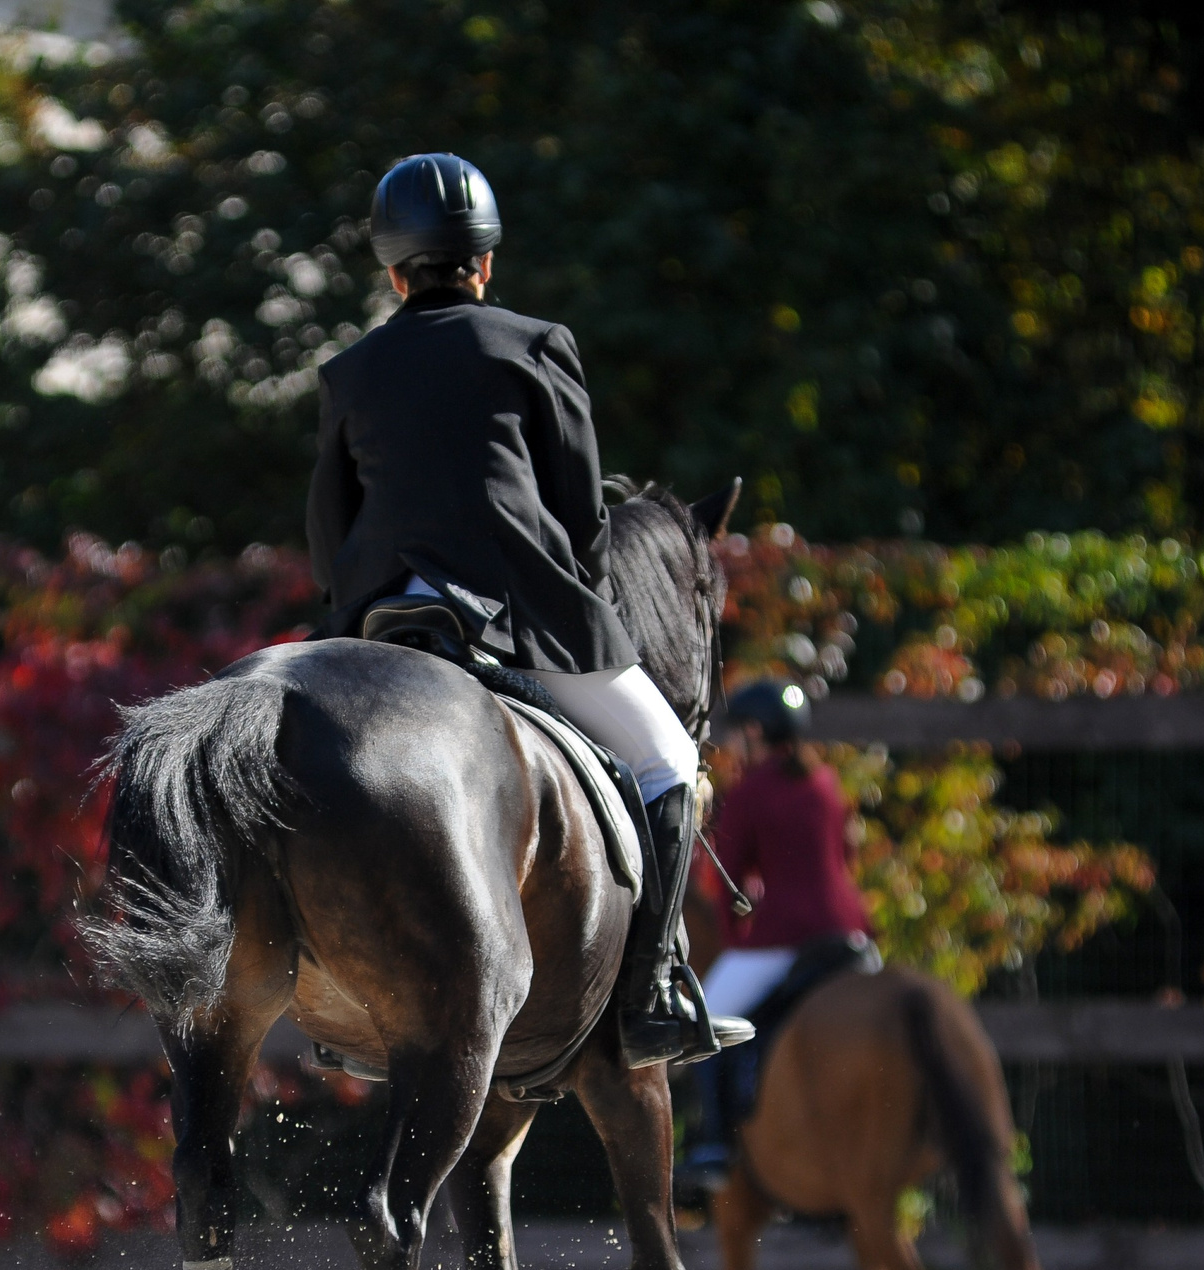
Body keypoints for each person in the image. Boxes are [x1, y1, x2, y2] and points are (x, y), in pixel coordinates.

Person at [305, 151, 749, 1068]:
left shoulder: (350, 372)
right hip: (519, 616)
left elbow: (326, 525)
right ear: (487, 261)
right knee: (667, 761)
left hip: (386, 622)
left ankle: (335, 988)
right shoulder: (535, 344)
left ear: (393, 271)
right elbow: (583, 516)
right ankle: (653, 990)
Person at [679, 677, 875, 1192]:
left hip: (787, 938)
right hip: (852, 937)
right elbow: (846, 859)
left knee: (708, 1021)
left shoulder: (749, 792)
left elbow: (728, 882)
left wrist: (734, 936)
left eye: (741, 733)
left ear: (757, 731)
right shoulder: (827, 783)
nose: (738, 744)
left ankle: (714, 1145)